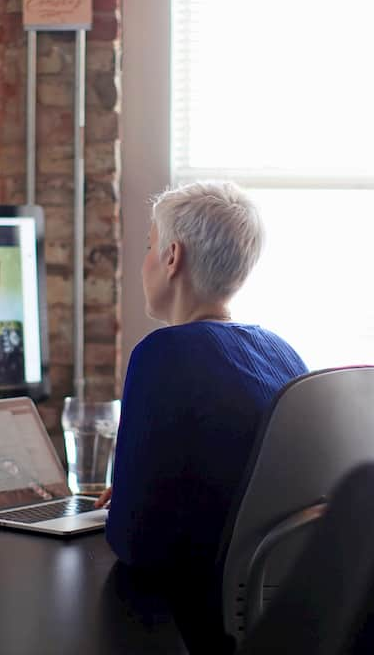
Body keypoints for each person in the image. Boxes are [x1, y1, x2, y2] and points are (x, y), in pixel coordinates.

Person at [96, 180, 308, 653]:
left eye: (150, 246)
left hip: (194, 622)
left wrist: (128, 506)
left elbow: (136, 544)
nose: (145, 261)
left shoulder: (162, 355)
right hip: (268, 612)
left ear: (173, 257)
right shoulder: (283, 353)